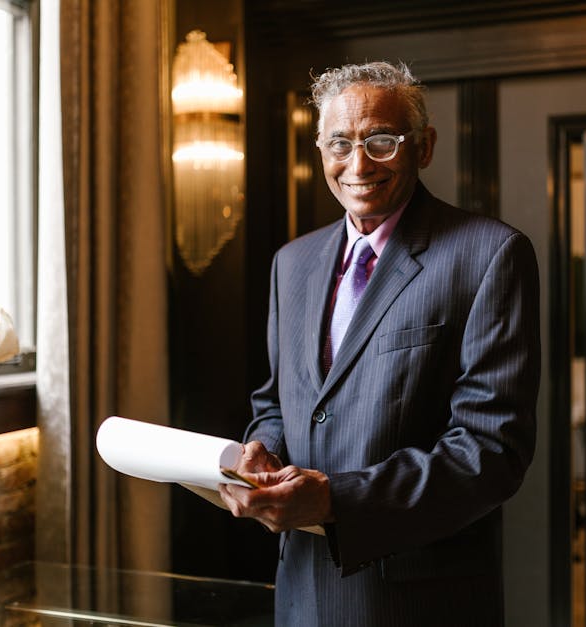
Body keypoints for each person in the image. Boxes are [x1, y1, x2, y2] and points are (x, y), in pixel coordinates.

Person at [219, 60, 540, 626]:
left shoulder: (490, 255)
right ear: (320, 149)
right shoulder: (290, 265)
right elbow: (276, 404)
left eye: (382, 141)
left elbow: (492, 452)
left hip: (417, 601)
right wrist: (260, 451)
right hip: (301, 593)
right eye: (339, 143)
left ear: (425, 146)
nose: (358, 164)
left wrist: (337, 500)